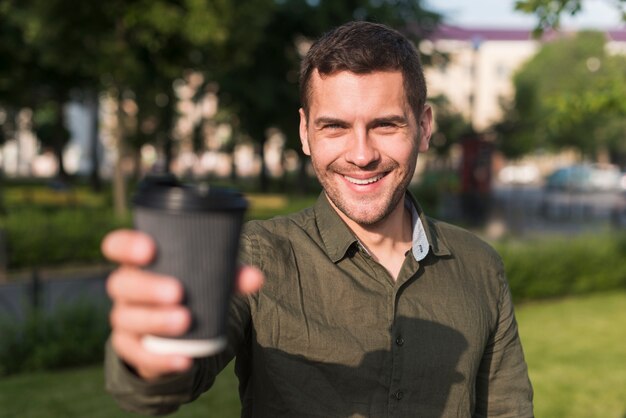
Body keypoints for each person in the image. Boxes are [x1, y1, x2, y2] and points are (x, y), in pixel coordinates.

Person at [103, 21, 534, 417]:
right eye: (335, 127)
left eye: (385, 125)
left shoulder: (480, 265)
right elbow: (169, 381)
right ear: (305, 133)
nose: (362, 154)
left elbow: (507, 410)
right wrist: (150, 355)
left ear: (423, 128)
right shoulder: (255, 255)